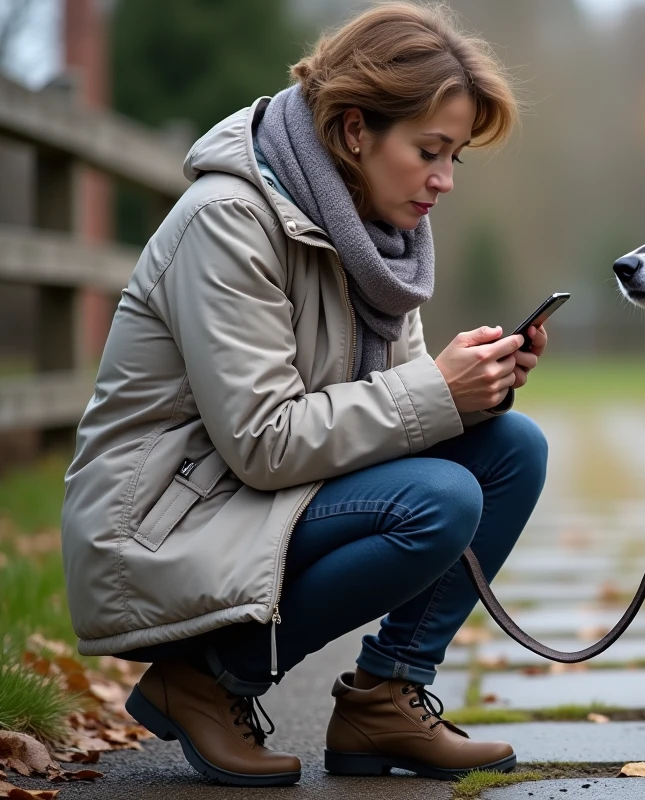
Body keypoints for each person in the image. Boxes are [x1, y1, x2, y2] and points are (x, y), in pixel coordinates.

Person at [60, 3, 547, 787]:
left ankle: (384, 697)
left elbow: (396, 413)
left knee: (511, 451)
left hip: (263, 496)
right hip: (166, 522)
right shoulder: (228, 220)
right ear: (355, 131)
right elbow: (263, 441)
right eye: (430, 151)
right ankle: (208, 679)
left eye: (455, 157)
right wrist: (435, 391)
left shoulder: (380, 236)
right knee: (440, 499)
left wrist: (474, 393)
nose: (444, 181)